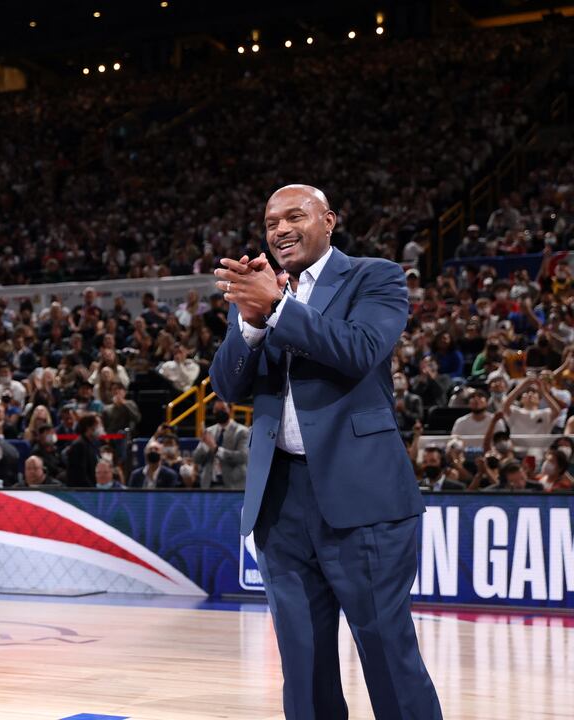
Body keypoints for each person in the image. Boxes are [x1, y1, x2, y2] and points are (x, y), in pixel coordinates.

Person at [211, 184, 441, 718]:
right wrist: (248, 323)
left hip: (363, 498)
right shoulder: (259, 290)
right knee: (305, 667)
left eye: (295, 216)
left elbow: (359, 349)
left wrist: (277, 307)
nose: (280, 230)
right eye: (271, 222)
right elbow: (227, 387)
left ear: (329, 220)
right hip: (280, 501)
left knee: (386, 653)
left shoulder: (375, 276)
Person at [191, 399, 249, 488]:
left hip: (232, 485)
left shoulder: (242, 431)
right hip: (209, 484)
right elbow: (196, 458)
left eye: (222, 409)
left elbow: (242, 457)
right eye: (216, 410)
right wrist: (205, 445)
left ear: (230, 409)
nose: (219, 412)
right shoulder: (209, 431)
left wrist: (215, 448)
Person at [62, 415, 103, 488]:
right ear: (89, 427)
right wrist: (93, 490)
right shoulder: (79, 445)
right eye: (98, 425)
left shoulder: (91, 444)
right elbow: (80, 475)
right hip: (83, 493)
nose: (100, 428)